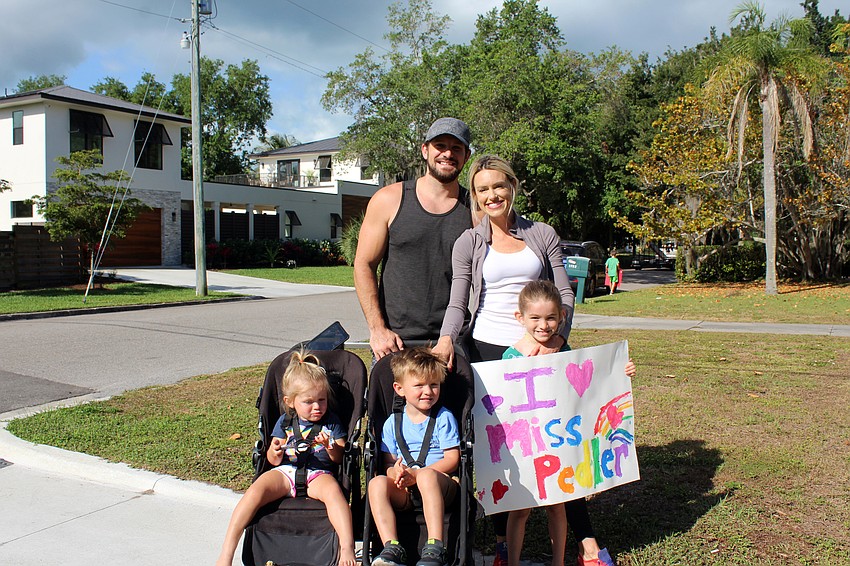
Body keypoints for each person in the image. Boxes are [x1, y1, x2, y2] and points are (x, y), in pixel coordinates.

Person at [430, 154, 574, 566]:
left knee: (553, 438)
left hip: (541, 348)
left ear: (512, 187)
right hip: (488, 354)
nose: (492, 195)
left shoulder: (542, 234)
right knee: (499, 451)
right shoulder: (470, 242)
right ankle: (501, 544)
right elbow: (459, 302)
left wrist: (557, 338)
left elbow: (564, 295)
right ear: (474, 197)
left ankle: (570, 541)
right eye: (482, 189)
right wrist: (445, 340)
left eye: (498, 186)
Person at [502, 280, 636, 566]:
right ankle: (511, 561)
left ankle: (559, 562)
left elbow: (589, 385)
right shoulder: (509, 357)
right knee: (520, 510)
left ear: (562, 316)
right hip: (527, 446)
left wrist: (620, 372)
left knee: (558, 506)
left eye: (551, 317)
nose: (543, 325)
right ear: (520, 318)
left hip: (558, 442)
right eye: (535, 318)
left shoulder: (565, 351)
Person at [216, 350, 356, 566]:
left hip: (318, 474)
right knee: (254, 492)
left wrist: (330, 447)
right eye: (309, 402)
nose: (317, 406)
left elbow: (339, 457)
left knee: (335, 495)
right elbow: (272, 460)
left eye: (322, 400)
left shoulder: (332, 422)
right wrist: (275, 450)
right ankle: (226, 553)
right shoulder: (284, 422)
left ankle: (346, 548)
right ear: (291, 402)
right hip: (285, 472)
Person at [354, 117, 472, 360]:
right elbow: (364, 264)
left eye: (456, 148)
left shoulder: (477, 208)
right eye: (440, 145)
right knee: (389, 400)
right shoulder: (389, 199)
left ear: (466, 156)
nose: (448, 153)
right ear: (425, 150)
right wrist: (378, 330)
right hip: (395, 343)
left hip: (453, 343)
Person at [368, 347, 460, 566]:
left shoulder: (443, 417)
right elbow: (389, 462)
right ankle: (391, 547)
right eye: (419, 386)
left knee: (427, 476)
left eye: (434, 385)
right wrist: (396, 473)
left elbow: (452, 458)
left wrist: (418, 475)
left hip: (440, 482)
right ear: (399, 389)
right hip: (406, 488)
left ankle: (435, 547)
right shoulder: (393, 422)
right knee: (377, 483)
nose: (427, 391)